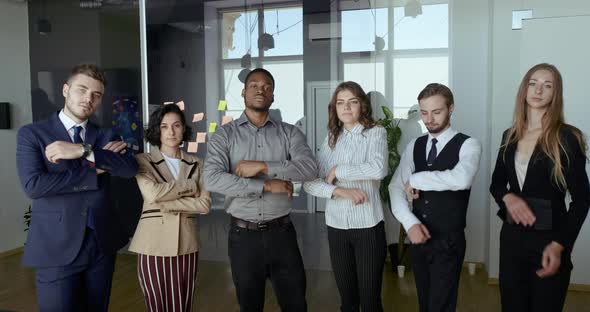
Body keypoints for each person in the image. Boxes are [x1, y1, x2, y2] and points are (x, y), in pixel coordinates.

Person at [16, 64, 138, 311]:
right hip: (55, 246)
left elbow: (129, 168)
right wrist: (97, 167)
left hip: (101, 244)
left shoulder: (106, 135)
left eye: (96, 94)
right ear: (65, 90)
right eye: (82, 90)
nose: (88, 99)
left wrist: (83, 151)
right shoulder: (33, 134)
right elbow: (35, 186)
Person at [203, 68, 318, 312]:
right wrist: (265, 184)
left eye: (267, 86)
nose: (260, 90)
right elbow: (212, 179)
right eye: (254, 85)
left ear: (273, 95)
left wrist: (265, 166)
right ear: (243, 93)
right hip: (243, 237)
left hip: (282, 234)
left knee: (296, 304)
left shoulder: (290, 133)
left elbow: (309, 168)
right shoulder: (224, 135)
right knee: (250, 305)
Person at [489, 63, 589, 312]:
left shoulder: (567, 137)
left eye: (548, 85)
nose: (538, 90)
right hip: (511, 240)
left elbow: (582, 200)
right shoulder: (509, 136)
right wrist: (508, 197)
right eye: (533, 83)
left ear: (556, 94)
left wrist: (558, 245)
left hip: (550, 240)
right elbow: (496, 183)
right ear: (524, 89)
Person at [388, 83, 482, 312]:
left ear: (451, 108)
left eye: (436, 112)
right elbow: (394, 187)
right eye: (424, 112)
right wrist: (410, 224)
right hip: (419, 239)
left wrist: (417, 179)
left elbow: (462, 179)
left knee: (440, 306)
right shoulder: (414, 145)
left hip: (449, 241)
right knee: (424, 303)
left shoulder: (468, 144)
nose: (429, 119)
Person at [304, 81, 388, 312]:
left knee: (370, 301)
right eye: (340, 103)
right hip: (336, 228)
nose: (346, 108)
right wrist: (339, 190)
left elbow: (378, 168)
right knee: (348, 301)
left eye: (352, 102)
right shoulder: (331, 138)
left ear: (362, 105)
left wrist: (338, 171)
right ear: (335, 108)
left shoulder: (375, 133)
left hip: (369, 228)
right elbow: (311, 183)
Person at [129, 104, 211, 311]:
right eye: (164, 126)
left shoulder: (198, 164)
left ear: (184, 128)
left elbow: (204, 204)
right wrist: (190, 186)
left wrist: (167, 204)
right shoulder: (143, 161)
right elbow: (153, 194)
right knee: (156, 303)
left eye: (176, 125)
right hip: (151, 243)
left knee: (182, 304)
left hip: (186, 242)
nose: (171, 132)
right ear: (157, 130)